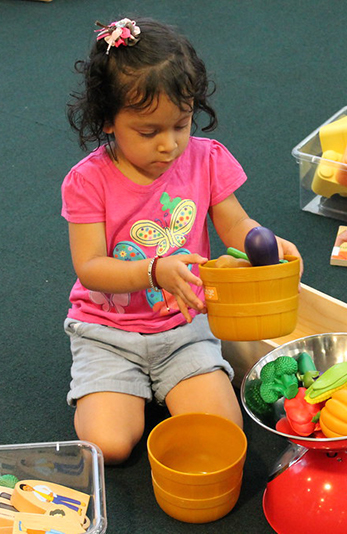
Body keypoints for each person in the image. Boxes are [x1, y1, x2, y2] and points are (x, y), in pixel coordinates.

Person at [61, 17, 302, 464]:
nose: (169, 145)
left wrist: (264, 243)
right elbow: (90, 267)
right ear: (108, 121)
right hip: (108, 332)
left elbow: (235, 224)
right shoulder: (87, 181)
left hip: (185, 329)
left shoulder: (205, 160)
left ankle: (168, 390)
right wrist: (152, 271)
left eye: (182, 124)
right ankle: (125, 391)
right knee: (108, 446)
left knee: (222, 431)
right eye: (149, 132)